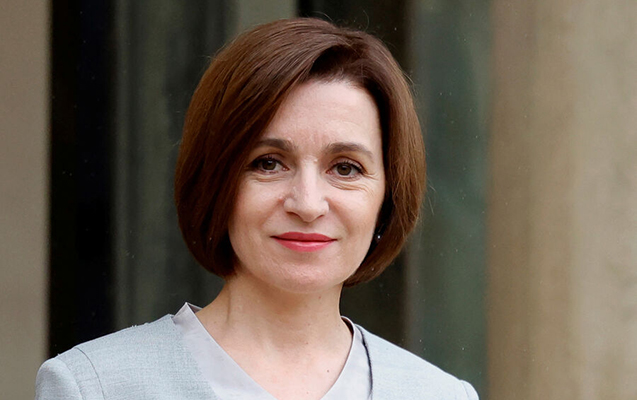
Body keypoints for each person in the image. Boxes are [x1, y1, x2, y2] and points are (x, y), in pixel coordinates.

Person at [36, 18, 478, 400]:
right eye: (268, 163)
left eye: (346, 168)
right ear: (216, 181)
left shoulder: (440, 395)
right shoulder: (94, 387)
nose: (307, 204)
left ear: (388, 196)